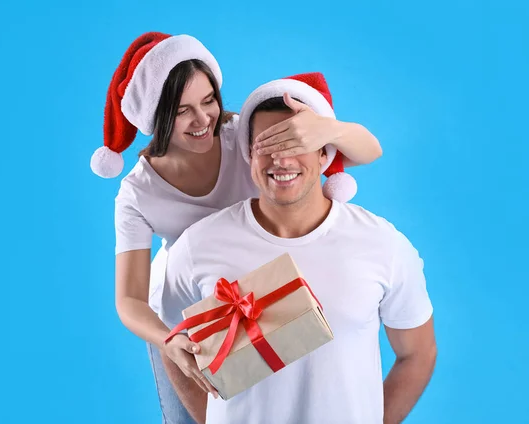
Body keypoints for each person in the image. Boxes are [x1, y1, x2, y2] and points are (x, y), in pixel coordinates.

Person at [90, 32, 383, 424]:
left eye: (208, 100)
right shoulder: (137, 193)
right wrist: (169, 340)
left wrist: (328, 131)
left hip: (267, 297)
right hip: (191, 327)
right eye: (182, 110)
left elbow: (370, 150)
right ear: (155, 116)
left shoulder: (240, 137)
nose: (203, 120)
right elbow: (129, 301)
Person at [159, 73, 437, 424]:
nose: (281, 160)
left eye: (294, 144)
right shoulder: (199, 245)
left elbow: (418, 352)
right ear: (248, 155)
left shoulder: (381, 244)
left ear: (324, 153)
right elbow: (169, 342)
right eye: (266, 145)